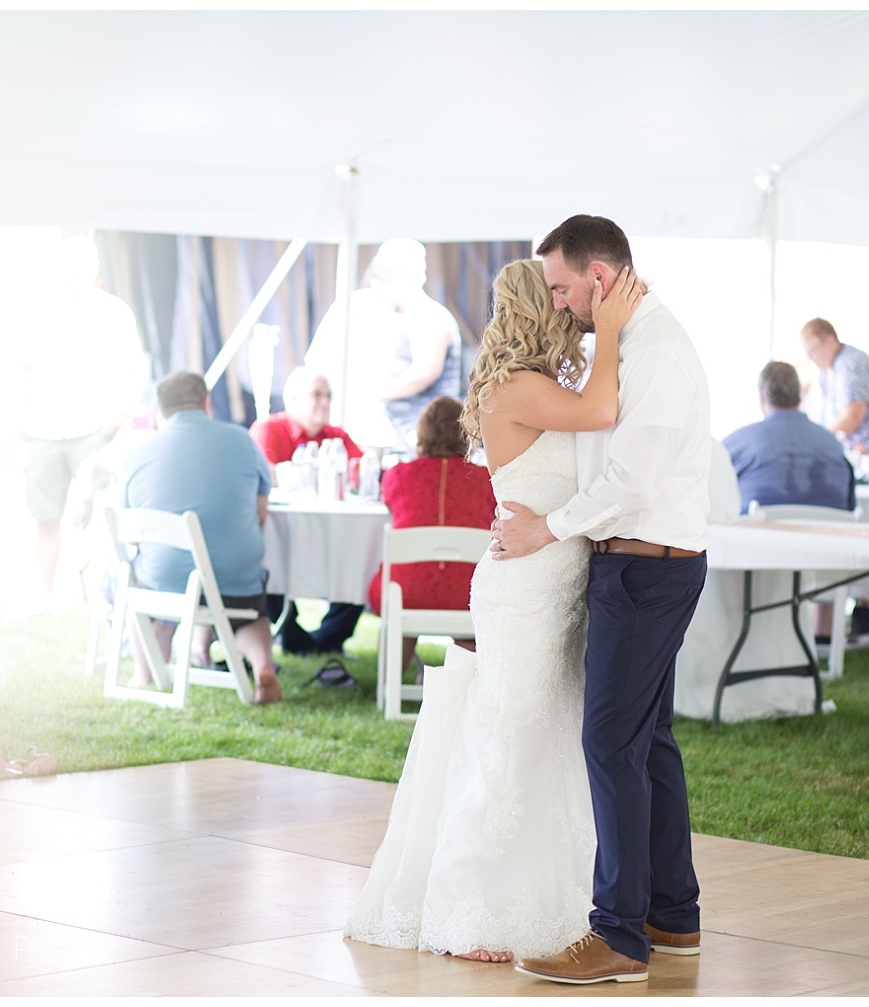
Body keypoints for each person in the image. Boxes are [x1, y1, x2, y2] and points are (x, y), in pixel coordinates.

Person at [343, 257, 641, 964]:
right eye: (565, 298)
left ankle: (542, 893)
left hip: (557, 577)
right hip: (525, 587)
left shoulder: (543, 384)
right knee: (509, 732)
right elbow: (604, 410)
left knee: (544, 732)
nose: (576, 306)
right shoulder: (518, 386)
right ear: (544, 309)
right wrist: (611, 327)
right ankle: (467, 902)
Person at [497, 215, 712, 984]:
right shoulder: (634, 343)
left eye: (562, 287)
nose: (557, 304)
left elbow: (633, 484)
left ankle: (618, 933)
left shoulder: (653, 350)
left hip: (643, 568)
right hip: (646, 564)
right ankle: (671, 916)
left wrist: (545, 530)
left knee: (611, 743)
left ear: (601, 276)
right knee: (647, 742)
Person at [121, 372, 283, 704]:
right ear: (207, 403)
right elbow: (261, 511)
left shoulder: (138, 454)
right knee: (251, 611)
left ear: (160, 410)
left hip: (168, 579)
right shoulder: (241, 440)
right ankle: (263, 666)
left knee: (138, 579)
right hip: (234, 577)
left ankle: (145, 672)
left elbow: (131, 527)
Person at [19, 235, 146, 610]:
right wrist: (19, 422)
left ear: (92, 270)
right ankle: (44, 593)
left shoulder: (114, 312)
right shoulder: (37, 311)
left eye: (78, 268)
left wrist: (112, 425)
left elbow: (134, 371)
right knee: (45, 515)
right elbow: (22, 368)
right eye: (64, 268)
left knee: (99, 516)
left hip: (94, 430)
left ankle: (101, 596)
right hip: (44, 429)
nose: (70, 276)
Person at [365, 395, 497, 672]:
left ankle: (392, 675)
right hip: (468, 592)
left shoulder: (397, 476)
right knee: (462, 588)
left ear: (421, 434)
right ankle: (465, 678)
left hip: (407, 590)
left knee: (406, 585)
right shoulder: (486, 480)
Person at [305, 239, 461, 454]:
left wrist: (369, 394)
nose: (382, 298)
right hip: (398, 438)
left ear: (401, 279)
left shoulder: (431, 317)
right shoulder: (400, 318)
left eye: (383, 288)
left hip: (428, 440)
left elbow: (425, 372)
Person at [248, 366, 365, 656]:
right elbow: (263, 475)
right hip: (279, 533)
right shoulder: (269, 429)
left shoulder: (336, 436)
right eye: (317, 395)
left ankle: (324, 640)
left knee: (362, 560)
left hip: (332, 533)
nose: (325, 402)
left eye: (328, 395)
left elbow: (360, 473)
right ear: (294, 399)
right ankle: (293, 635)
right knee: (267, 566)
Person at [724, 361, 855, 513]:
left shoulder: (736, 444)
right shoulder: (834, 445)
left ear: (761, 398)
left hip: (756, 534)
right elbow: (849, 507)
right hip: (828, 534)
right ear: (799, 395)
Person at [800, 317, 869, 452]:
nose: (811, 357)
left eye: (814, 349)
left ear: (830, 340)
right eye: (808, 353)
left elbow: (851, 418)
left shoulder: (849, 364)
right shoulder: (825, 368)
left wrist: (817, 442)